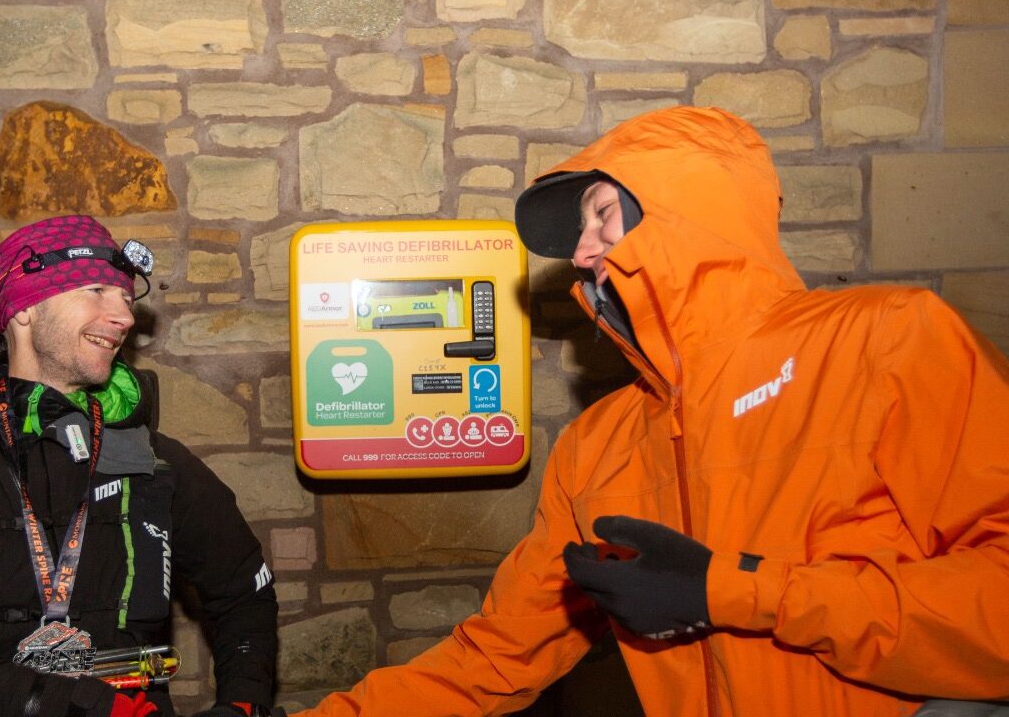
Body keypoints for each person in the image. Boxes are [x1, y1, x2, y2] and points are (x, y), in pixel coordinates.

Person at [290, 107, 1009, 716]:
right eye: (580, 232)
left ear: (689, 211)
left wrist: (734, 590)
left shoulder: (883, 338)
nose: (580, 253)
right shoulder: (597, 444)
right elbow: (497, 655)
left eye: (602, 214)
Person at [0, 215, 279, 717]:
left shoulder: (157, 465)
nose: (122, 316)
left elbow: (245, 591)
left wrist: (243, 704)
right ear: (24, 309)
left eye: (125, 297)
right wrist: (96, 710)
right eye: (97, 290)